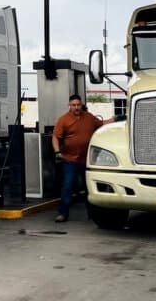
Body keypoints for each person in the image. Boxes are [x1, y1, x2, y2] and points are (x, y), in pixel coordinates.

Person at [52, 94, 114, 222]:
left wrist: (115, 119)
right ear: (69, 106)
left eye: (78, 105)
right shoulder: (63, 120)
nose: (76, 107)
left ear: (81, 105)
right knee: (68, 186)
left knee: (89, 188)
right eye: (73, 105)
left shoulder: (89, 117)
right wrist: (57, 152)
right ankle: (63, 213)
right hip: (70, 160)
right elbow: (55, 137)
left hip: (87, 160)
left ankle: (92, 214)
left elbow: (102, 123)